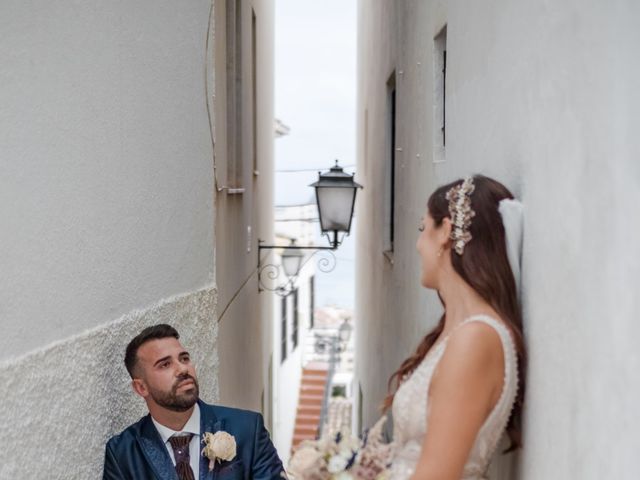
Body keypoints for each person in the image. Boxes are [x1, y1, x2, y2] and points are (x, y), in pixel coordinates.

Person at [384, 175, 527, 480]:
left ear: (446, 231)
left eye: (424, 229)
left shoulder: (476, 339)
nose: (419, 244)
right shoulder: (455, 335)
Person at [103, 324, 285, 479]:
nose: (183, 369)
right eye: (165, 364)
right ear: (141, 388)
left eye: (184, 358)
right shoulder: (123, 453)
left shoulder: (247, 429)